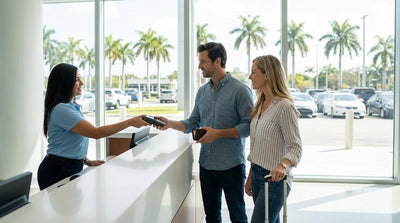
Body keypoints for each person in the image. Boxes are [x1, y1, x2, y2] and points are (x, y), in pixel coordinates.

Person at [155, 42, 253, 223]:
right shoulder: (202, 92)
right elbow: (193, 122)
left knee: (238, 216)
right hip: (207, 165)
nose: (199, 66)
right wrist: (170, 124)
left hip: (231, 165)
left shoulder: (240, 90)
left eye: (203, 61)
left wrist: (218, 133)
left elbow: (249, 127)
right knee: (211, 216)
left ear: (217, 61)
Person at [38, 63, 149, 190]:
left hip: (69, 166)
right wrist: (129, 122)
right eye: (77, 79)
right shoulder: (62, 109)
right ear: (64, 82)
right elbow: (95, 133)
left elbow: (69, 143)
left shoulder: (70, 106)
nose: (82, 83)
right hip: (56, 171)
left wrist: (85, 160)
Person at [245, 55, 302, 223]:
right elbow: (257, 146)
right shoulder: (260, 105)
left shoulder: (285, 107)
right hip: (256, 175)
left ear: (267, 75)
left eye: (253, 72)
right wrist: (250, 176)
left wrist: (282, 165)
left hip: (275, 180)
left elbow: (296, 147)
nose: (250, 77)